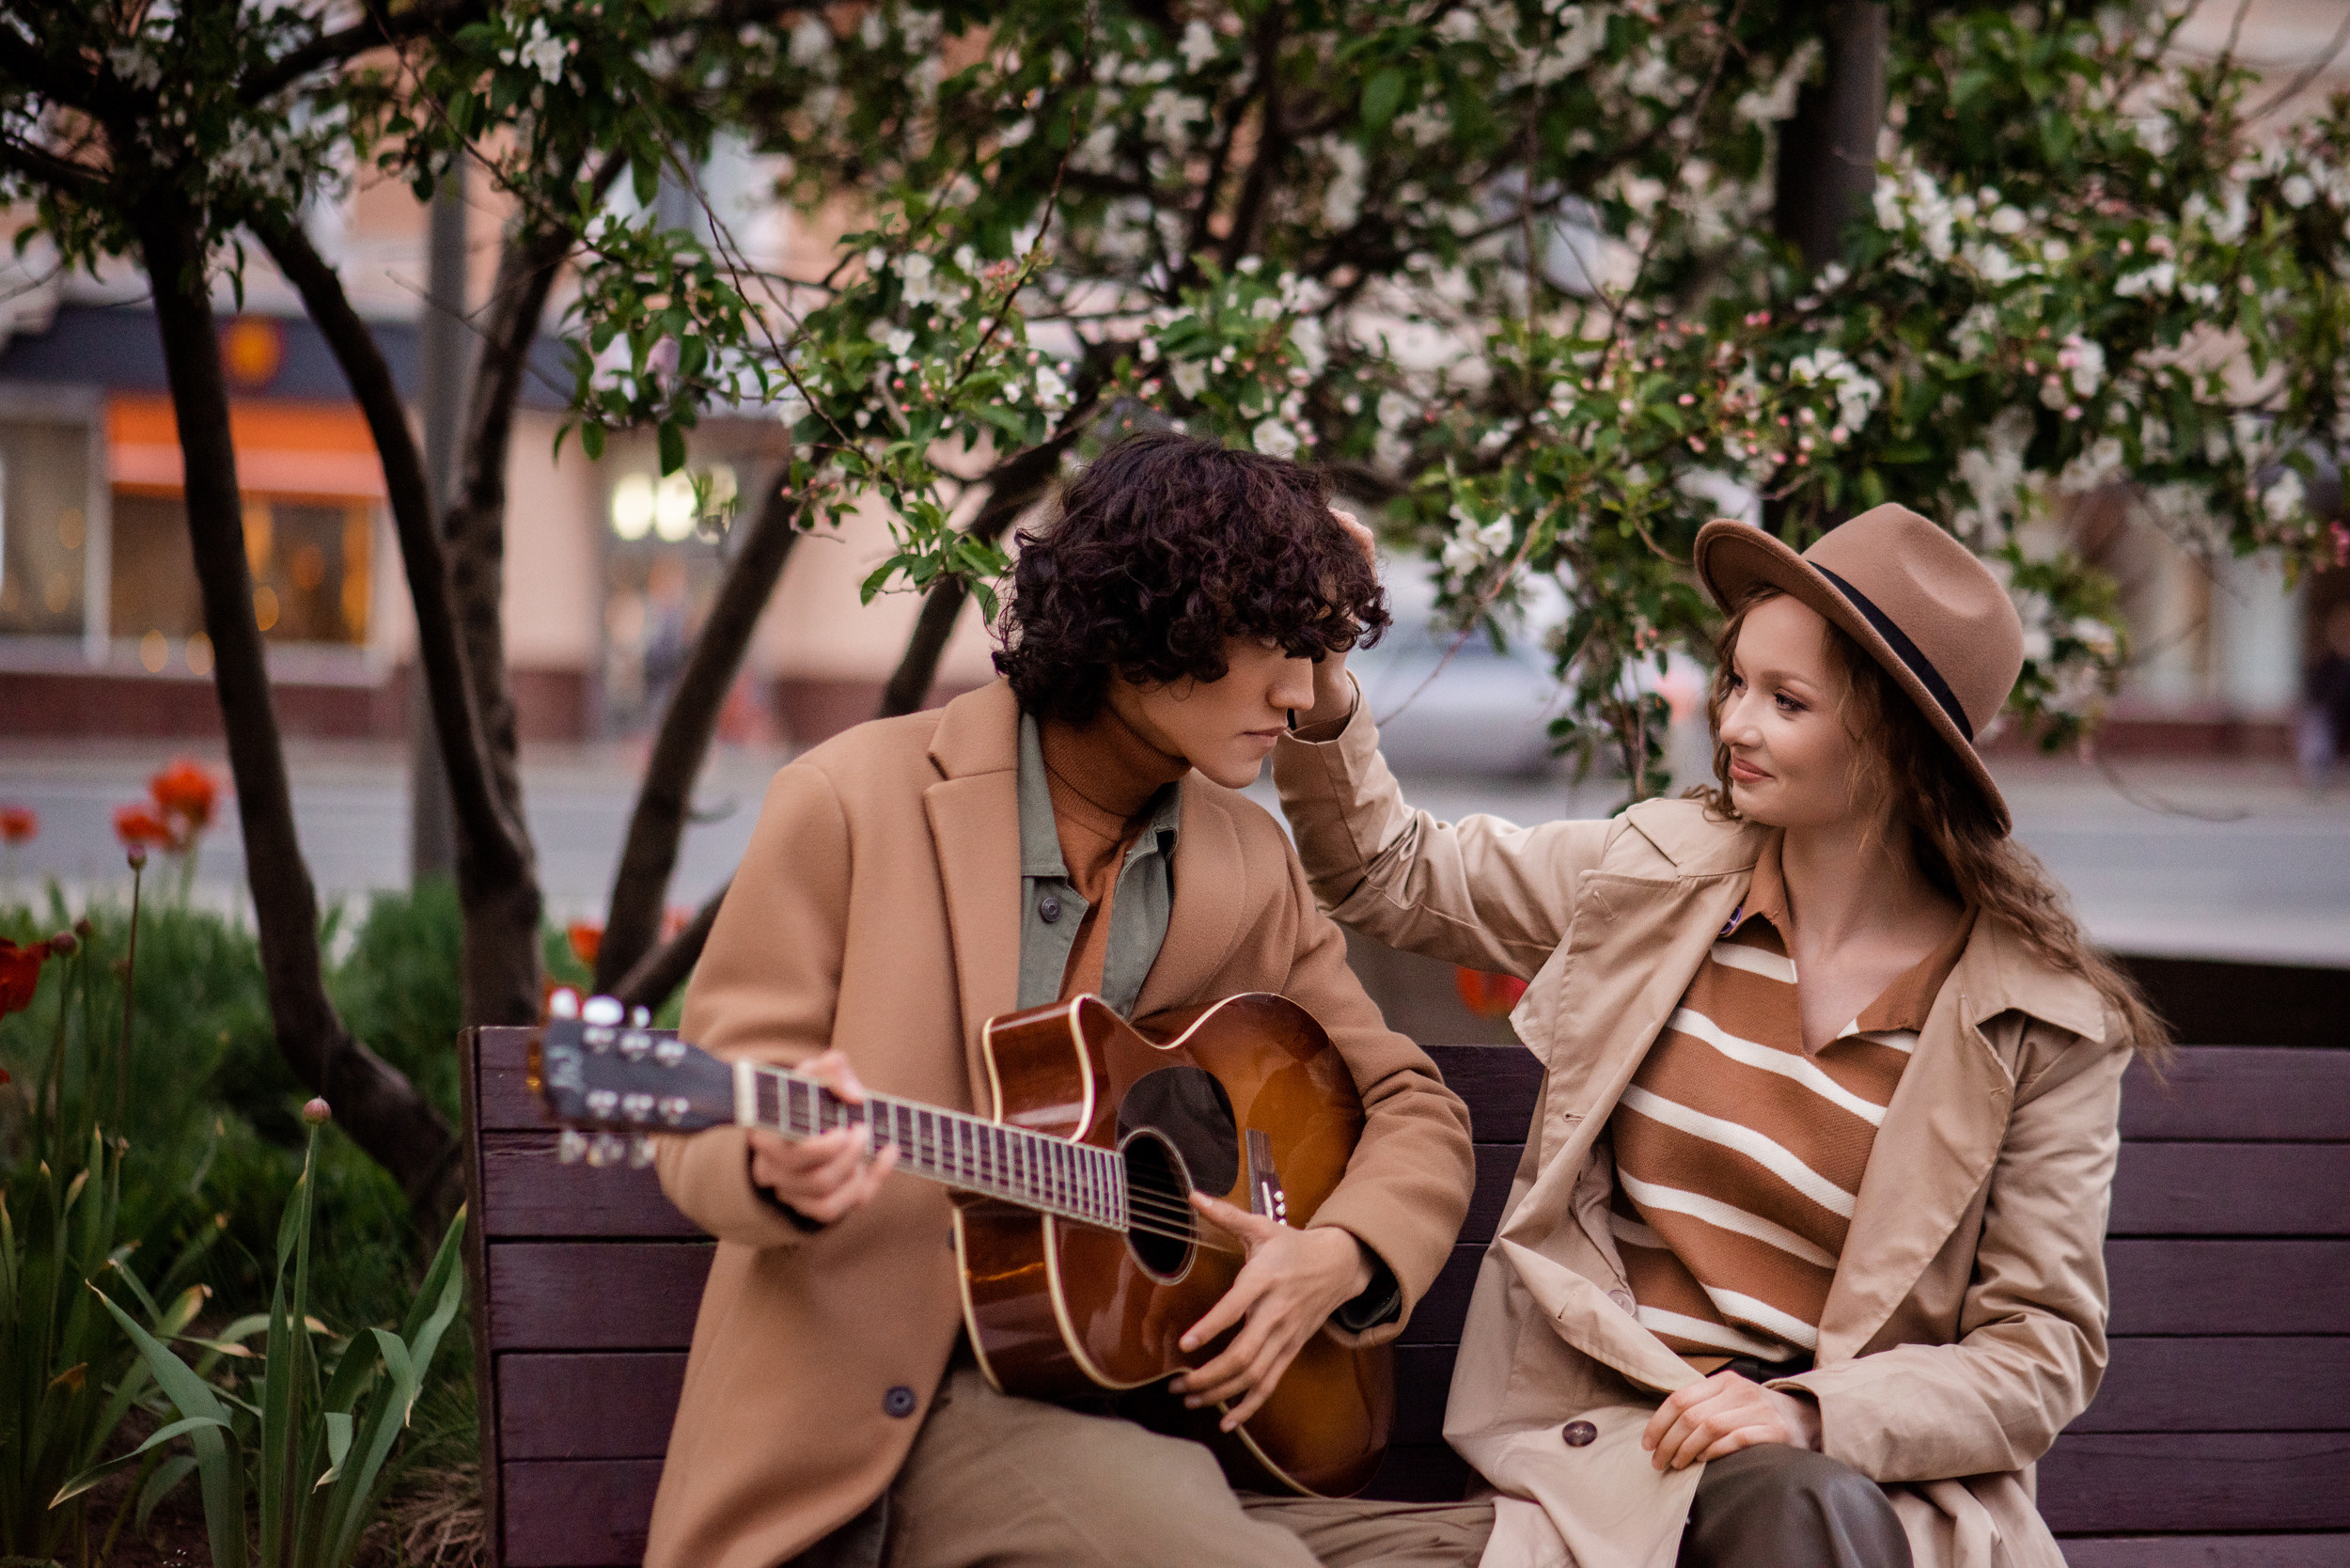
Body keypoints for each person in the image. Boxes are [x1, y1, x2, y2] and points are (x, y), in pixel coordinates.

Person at [646, 431, 1495, 1568]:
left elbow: (1411, 1107)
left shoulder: (1248, 864)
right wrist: (770, 1162)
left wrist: (1338, 1253)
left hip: (1153, 1411)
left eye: (1316, 654)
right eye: (1275, 646)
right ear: (1150, 621)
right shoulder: (848, 802)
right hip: (883, 1428)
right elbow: (708, 1110)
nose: (1299, 696)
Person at [1274, 504, 2163, 1568]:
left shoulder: (2038, 1020)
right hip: (1615, 1462)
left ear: (1897, 739)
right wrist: (1325, 669)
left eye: (1786, 701)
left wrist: (1808, 1415)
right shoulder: (1657, 875)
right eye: (1737, 682)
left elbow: (2039, 1352)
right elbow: (1387, 871)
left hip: (1859, 1497)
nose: (1734, 723)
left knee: (1797, 1507)